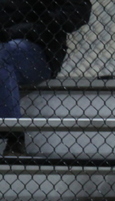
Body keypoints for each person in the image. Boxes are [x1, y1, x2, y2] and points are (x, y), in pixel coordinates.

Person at [0, 0, 92, 156]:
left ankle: (14, 136)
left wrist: (38, 26)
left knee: (4, 53)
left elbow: (79, 11)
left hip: (38, 50)